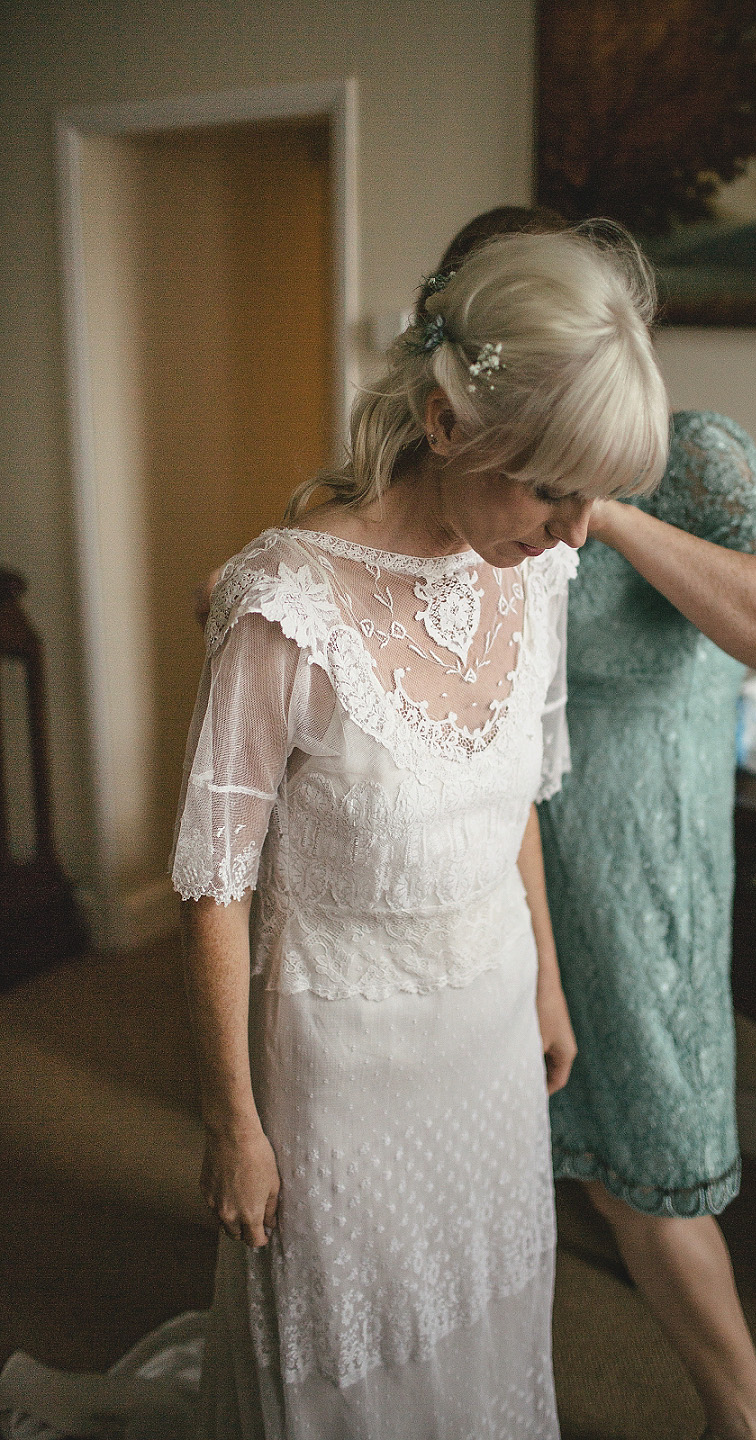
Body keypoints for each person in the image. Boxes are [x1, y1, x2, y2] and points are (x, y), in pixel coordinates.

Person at [169, 224, 670, 1440]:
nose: (575, 532)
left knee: (488, 1318)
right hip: (342, 1069)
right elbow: (215, 882)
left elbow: (520, 811)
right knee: (350, 1364)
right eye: (550, 487)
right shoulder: (283, 610)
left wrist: (547, 985)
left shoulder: (537, 577)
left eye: (593, 495)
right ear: (449, 427)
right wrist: (233, 1122)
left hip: (490, 1032)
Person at [424, 208, 756, 1440]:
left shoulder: (696, 453)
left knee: (649, 1170)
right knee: (516, 1163)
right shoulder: (474, 470)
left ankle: (751, 1420)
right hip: (499, 854)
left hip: (639, 868)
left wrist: (604, 500)